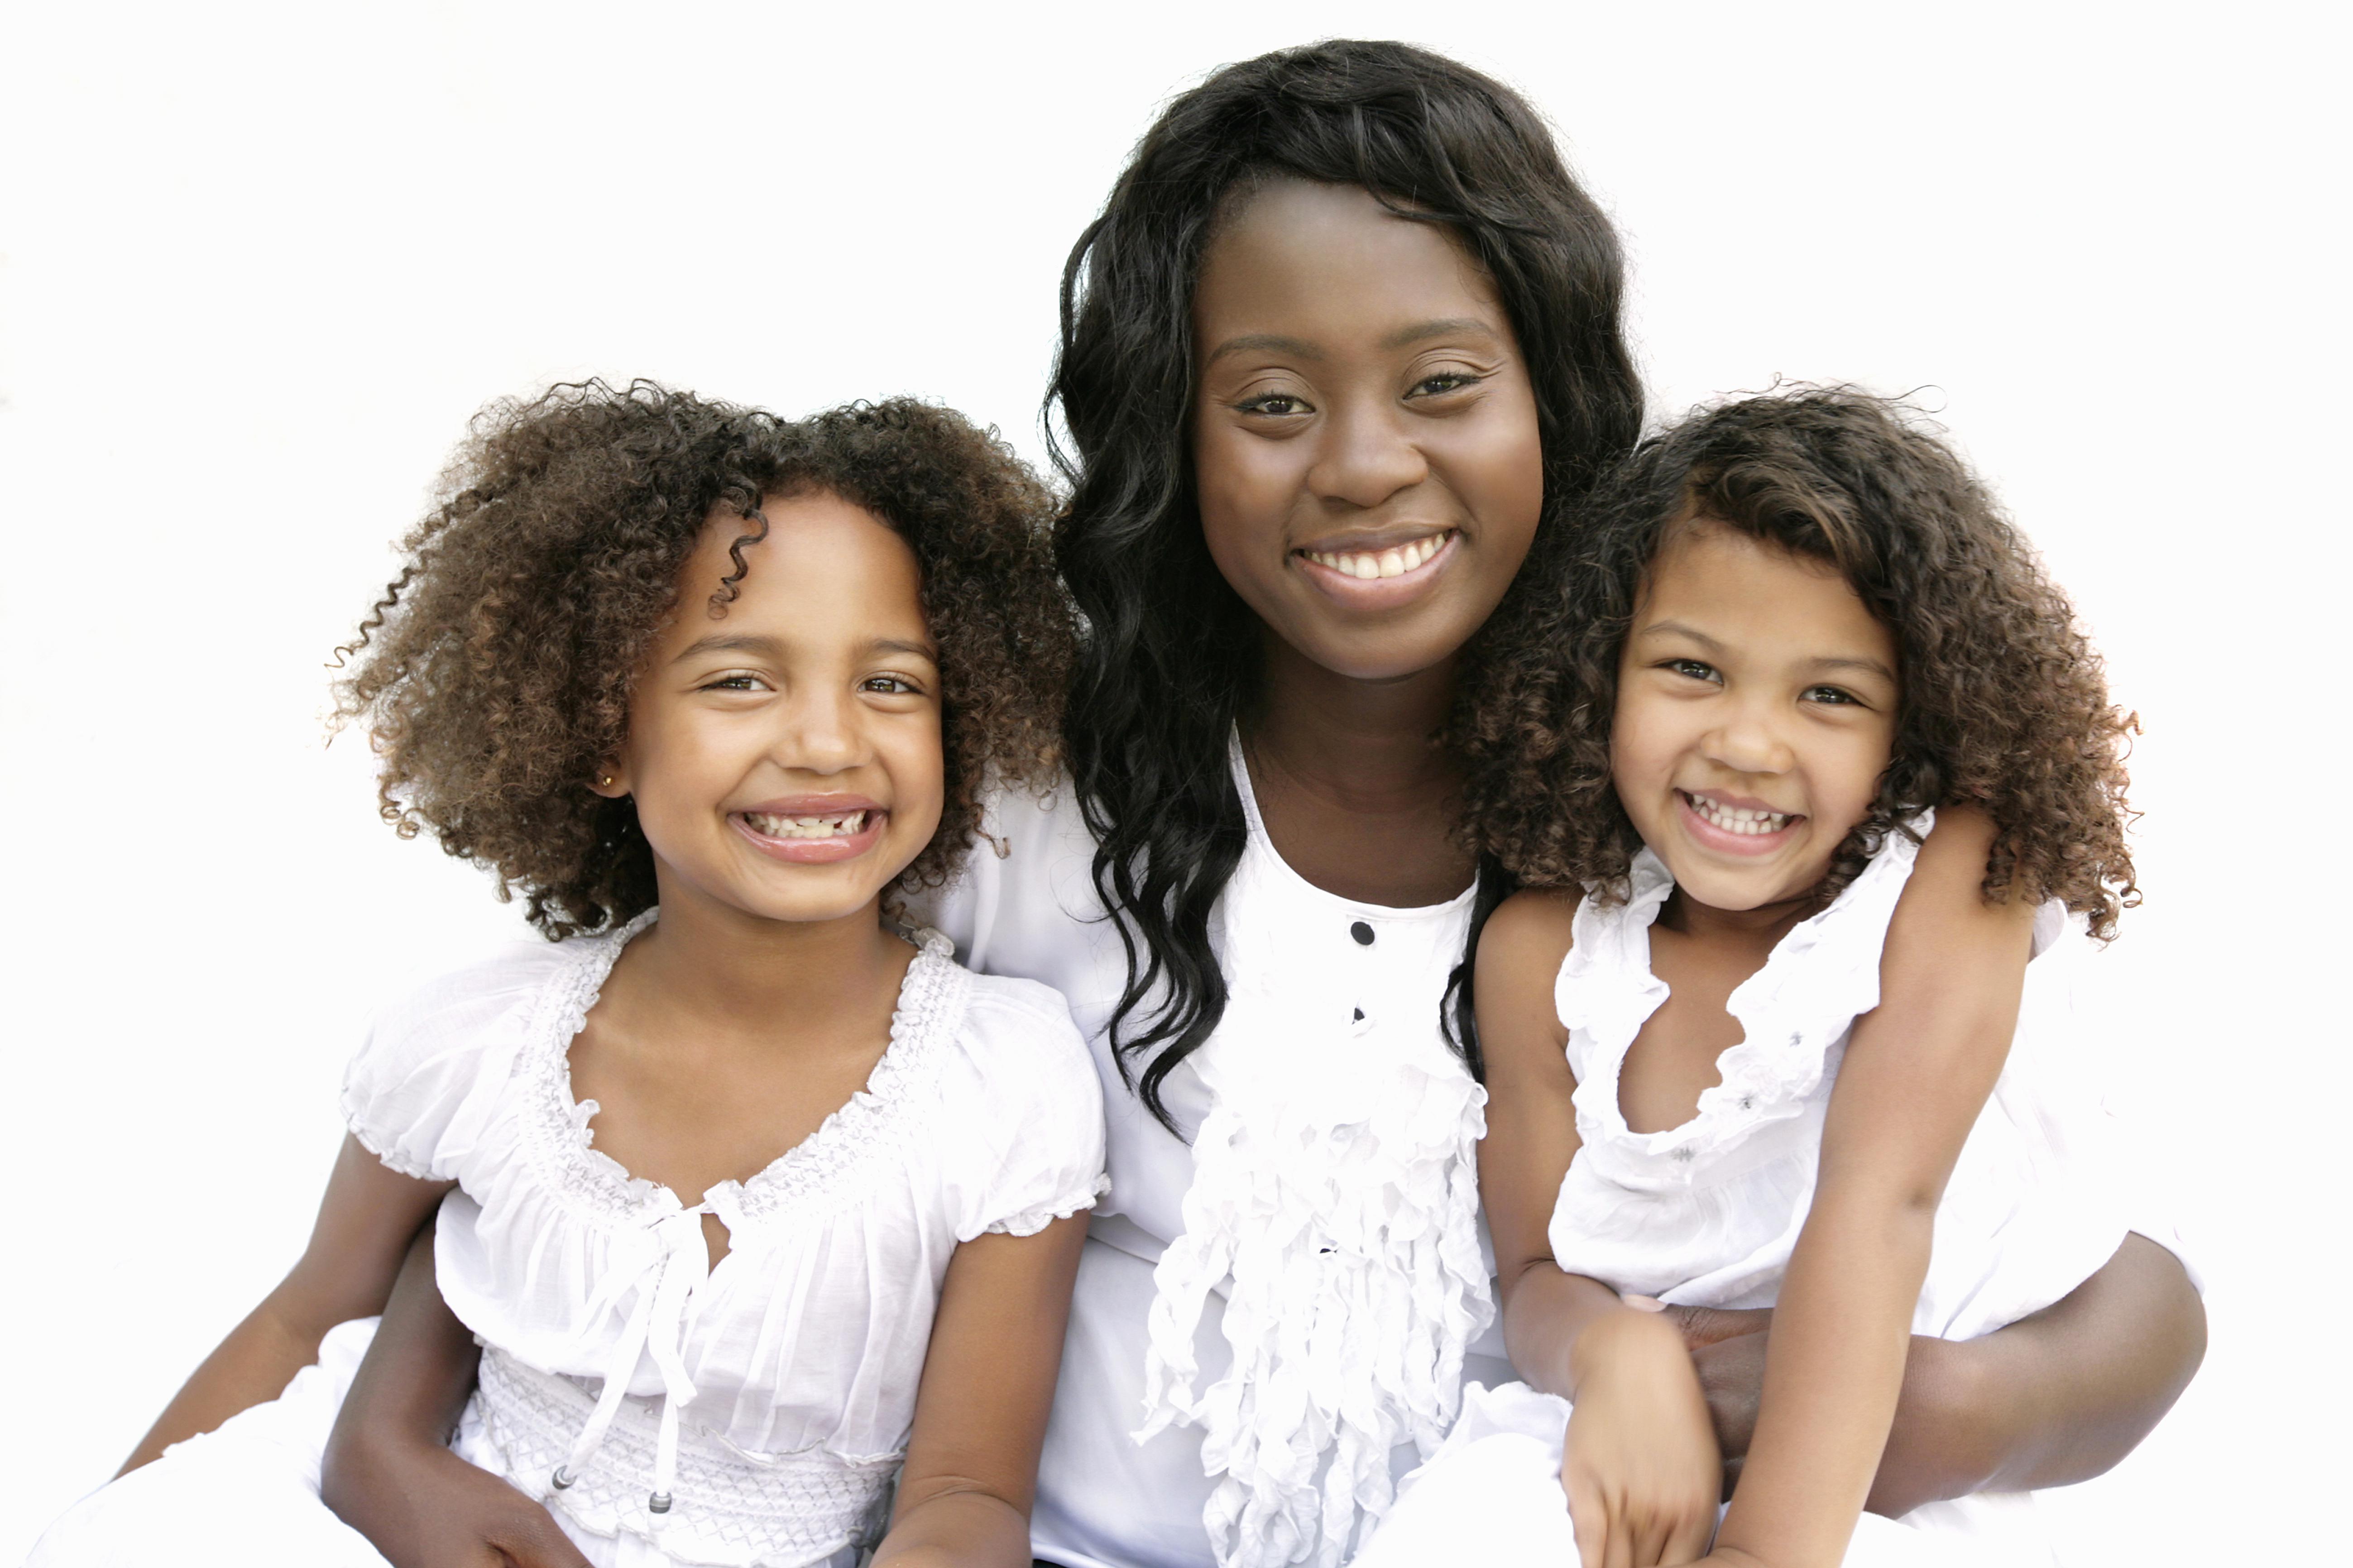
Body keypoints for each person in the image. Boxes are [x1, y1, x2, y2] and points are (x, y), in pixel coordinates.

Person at [328, 40, 2206, 1568]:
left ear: (1556, 403)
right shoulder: (1011, 807)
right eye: (1273, 399)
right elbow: (605, 1099)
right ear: (1170, 437)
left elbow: (2139, 1300)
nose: (1367, 462)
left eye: (1445, 382)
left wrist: (1952, 1410)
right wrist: (391, 1425)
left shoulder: (1730, 821)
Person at [27, 384, 1103, 1568]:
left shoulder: (1001, 1085)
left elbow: (966, 1493)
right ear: (601, 735)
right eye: (741, 680)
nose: (828, 741)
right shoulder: (477, 1043)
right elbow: (300, 1320)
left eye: (890, 682)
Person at [1353, 388, 2157, 1567]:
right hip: (1625, 1446)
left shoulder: (1949, 885)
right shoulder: (1540, 955)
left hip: (1869, 1480)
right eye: (1692, 669)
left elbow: (1880, 1211)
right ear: (1601, 675)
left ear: (1912, 724)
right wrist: (1611, 1356)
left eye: (1829, 694)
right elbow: (1530, 1278)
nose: (1748, 742)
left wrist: (1760, 1555)